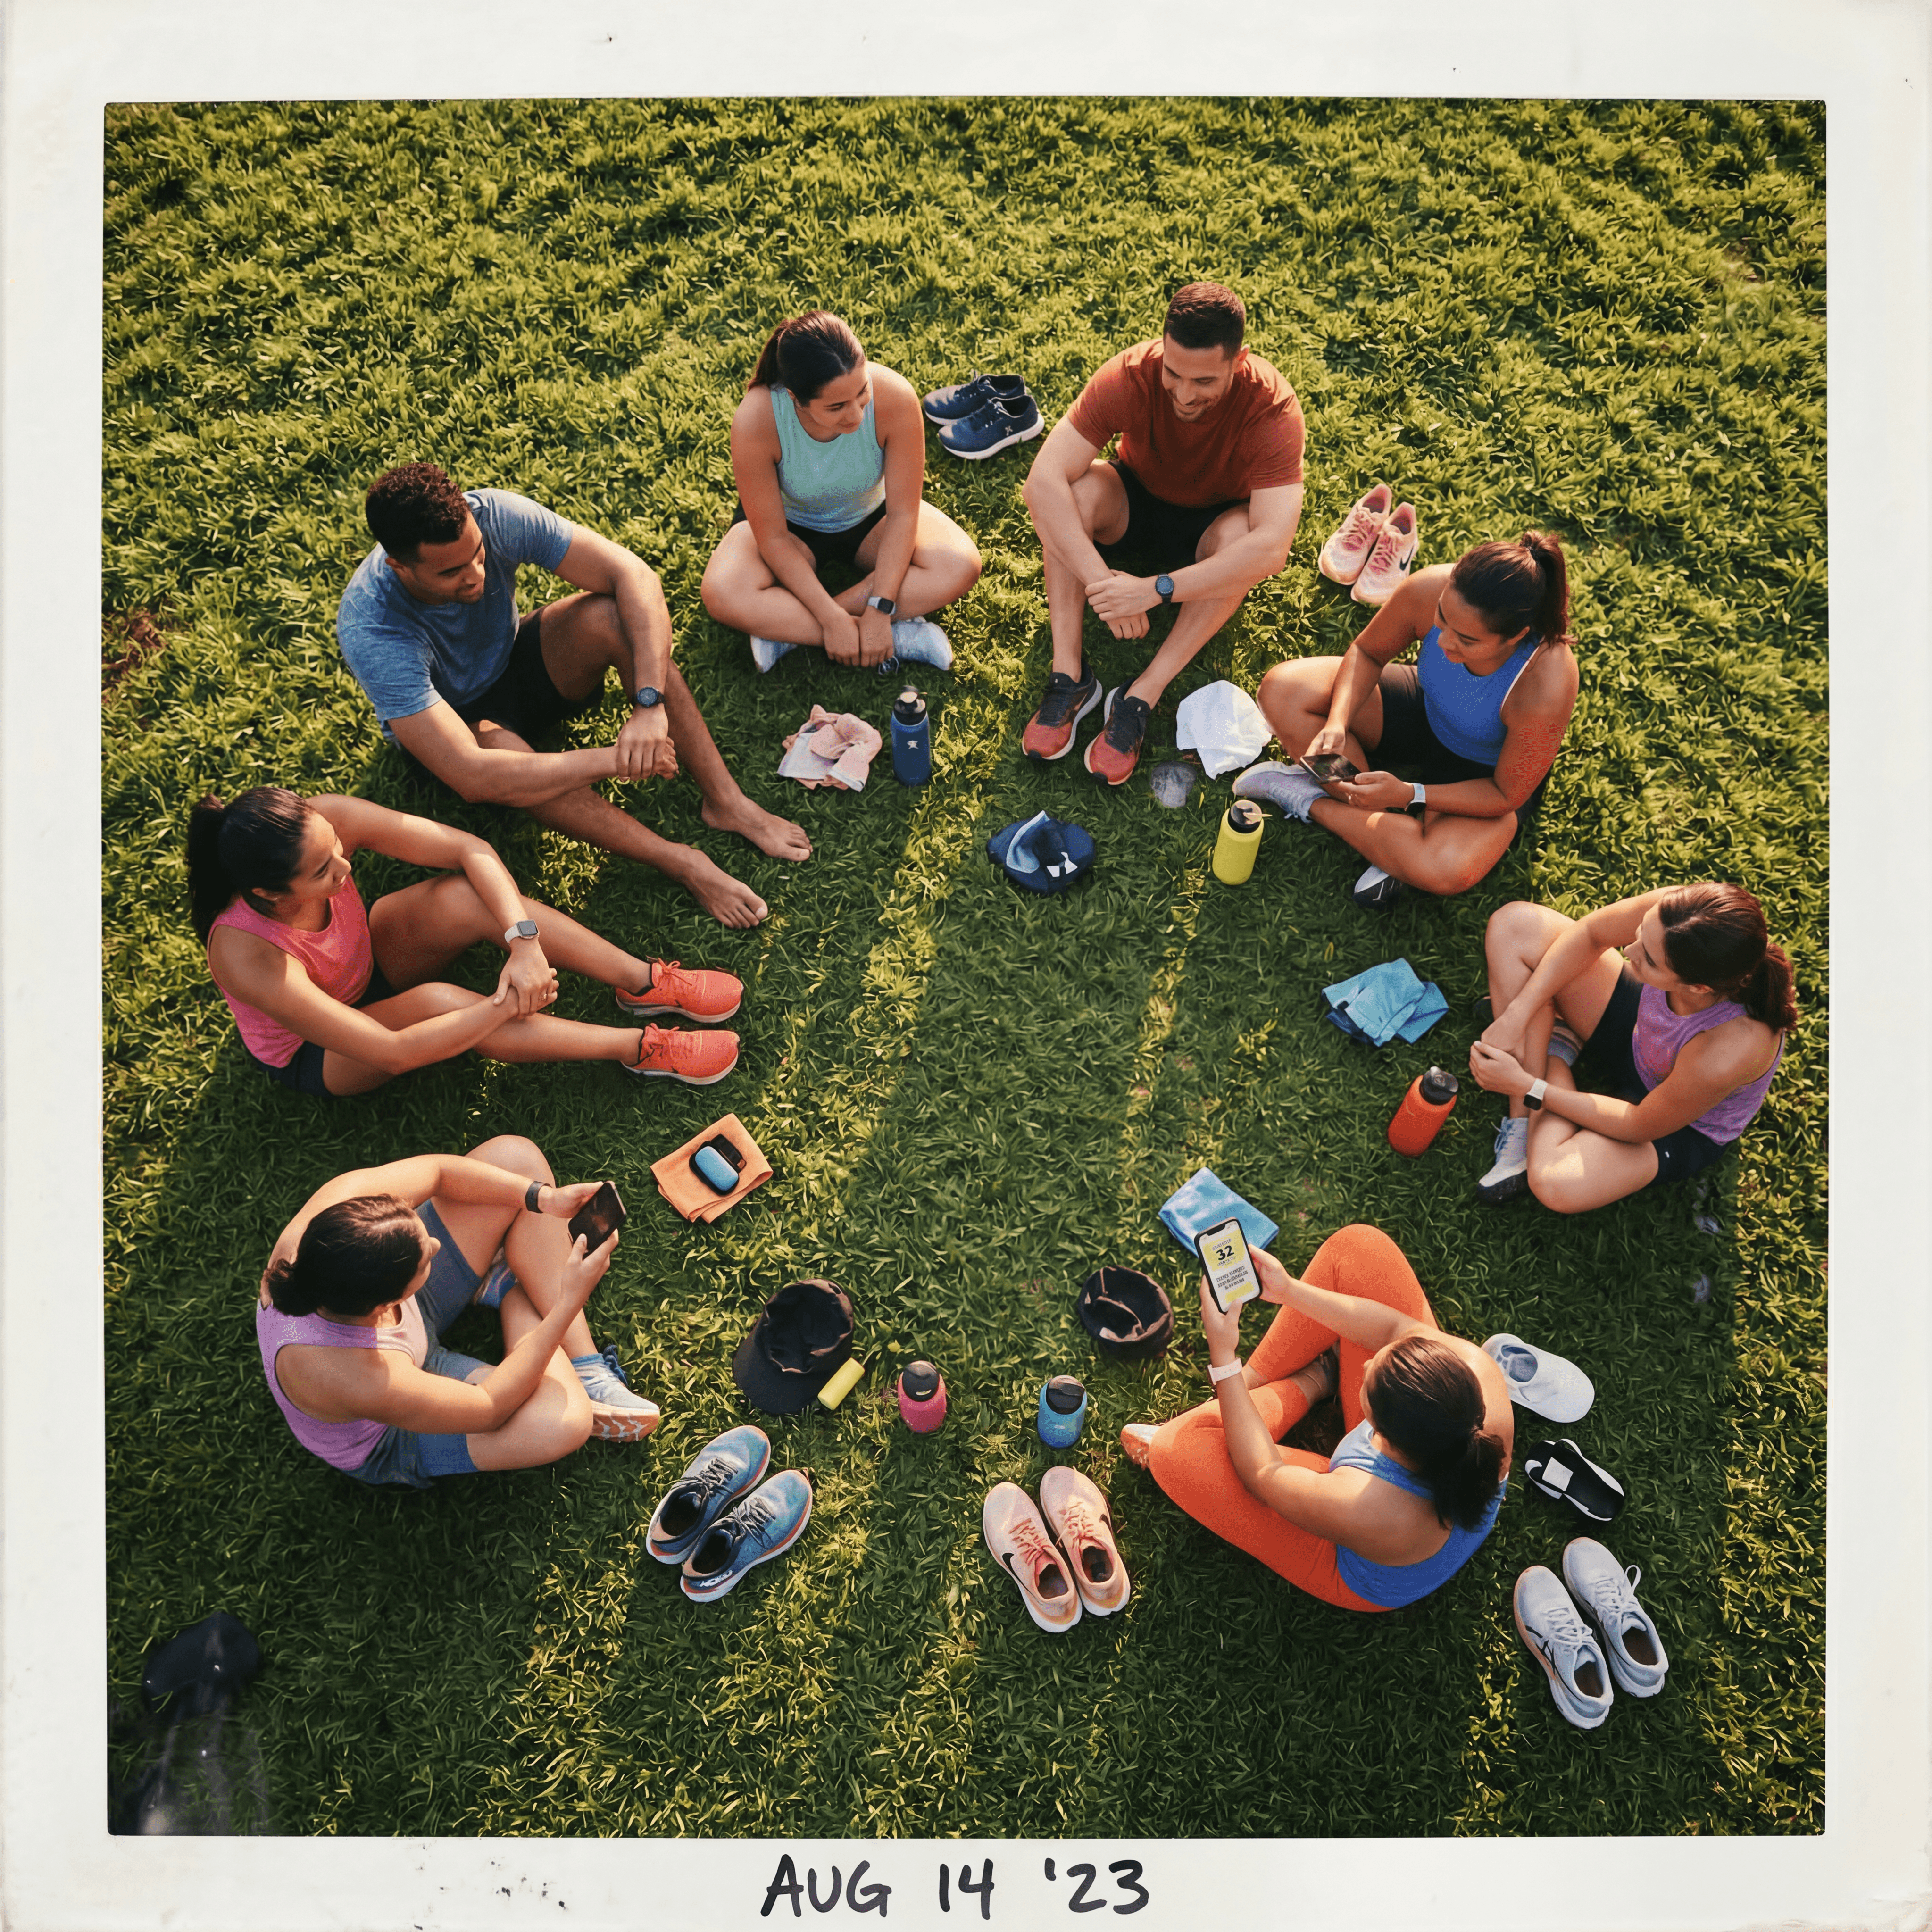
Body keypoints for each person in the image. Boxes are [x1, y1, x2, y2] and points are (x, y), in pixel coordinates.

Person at [336, 463, 811, 931]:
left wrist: (649, 705)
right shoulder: (373, 627)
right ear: (399, 565)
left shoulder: (493, 514)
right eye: (451, 572)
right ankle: (679, 861)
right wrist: (615, 759)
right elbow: (471, 776)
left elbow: (633, 576)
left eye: (478, 554)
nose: (476, 575)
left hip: (512, 662)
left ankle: (727, 802)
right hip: (453, 725)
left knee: (612, 616)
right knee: (494, 749)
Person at [190, 786, 742, 1098]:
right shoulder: (245, 953)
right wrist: (505, 1001)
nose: (345, 865)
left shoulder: (321, 823)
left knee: (463, 896)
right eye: (321, 872)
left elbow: (468, 850)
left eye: (337, 847)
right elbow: (392, 1051)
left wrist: (524, 944)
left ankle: (643, 982)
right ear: (266, 891)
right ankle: (640, 1048)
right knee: (434, 1003)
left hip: (366, 962)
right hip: (323, 1053)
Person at [1121, 1225, 1510, 1612]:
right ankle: (1257, 1386)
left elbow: (1262, 1474)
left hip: (1350, 1564)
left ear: (1380, 1436)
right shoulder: (1479, 1374)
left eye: (1368, 1383)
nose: (1369, 1357)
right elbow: (1394, 1329)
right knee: (1360, 1249)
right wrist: (1289, 1291)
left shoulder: (1374, 1508)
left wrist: (1224, 1357)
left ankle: (1303, 1383)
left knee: (1177, 1451)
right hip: (1399, 1488)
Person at [1018, 282, 1306, 785]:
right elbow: (1041, 481)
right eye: (1174, 373)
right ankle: (1069, 675)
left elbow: (1272, 549)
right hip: (1135, 498)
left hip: (1213, 529)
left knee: (1244, 545)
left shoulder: (1271, 406)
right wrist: (1104, 588)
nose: (1183, 392)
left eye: (1204, 381)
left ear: (1237, 363)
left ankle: (1140, 694)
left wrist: (1153, 591)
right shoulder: (1132, 374)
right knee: (1074, 494)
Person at [257, 1136, 659, 1489]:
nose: (434, 1244)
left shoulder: (334, 1221)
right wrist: (567, 1303)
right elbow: (489, 1407)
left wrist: (543, 1198)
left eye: (419, 1229)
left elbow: (438, 1172)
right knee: (563, 1423)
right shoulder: (351, 1374)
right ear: (386, 1305)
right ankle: (512, 1293)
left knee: (515, 1159)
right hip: (394, 1428)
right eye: (424, 1259)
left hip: (407, 1319)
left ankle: (584, 1365)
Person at [1241, 533, 1579, 910]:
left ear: (1514, 637)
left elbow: (1505, 795)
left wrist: (1411, 793)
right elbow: (1368, 653)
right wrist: (1338, 721)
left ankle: (1310, 799)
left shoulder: (1545, 682)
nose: (1445, 641)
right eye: (1442, 619)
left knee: (1446, 868)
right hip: (1424, 708)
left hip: (1483, 774)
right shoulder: (1430, 588)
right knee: (1284, 691)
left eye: (1466, 640)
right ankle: (1387, 834)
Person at [1466, 883, 1795, 1210]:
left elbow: (1638, 1124)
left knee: (1555, 1183)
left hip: (1671, 1121)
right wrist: (1518, 1013)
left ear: (1698, 987)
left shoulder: (1729, 1050)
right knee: (1515, 926)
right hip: (1639, 1031)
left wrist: (1529, 1086)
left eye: (1649, 960)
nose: (1628, 953)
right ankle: (1522, 1122)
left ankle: (1553, 1055)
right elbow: (1593, 934)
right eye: (1640, 933)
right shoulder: (1680, 915)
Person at [700, 309, 982, 674]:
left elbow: (903, 515)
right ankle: (895, 637)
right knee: (722, 592)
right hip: (791, 530)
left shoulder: (895, 396)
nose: (856, 416)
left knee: (960, 564)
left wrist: (881, 607)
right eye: (836, 407)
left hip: (872, 518)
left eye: (862, 393)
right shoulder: (757, 418)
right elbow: (772, 539)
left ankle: (786, 630)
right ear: (795, 398)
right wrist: (829, 618)